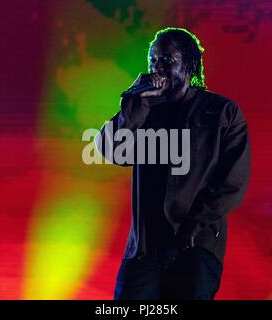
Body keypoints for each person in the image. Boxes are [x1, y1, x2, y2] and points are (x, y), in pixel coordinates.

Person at [95, 27, 251, 300]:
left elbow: (232, 182)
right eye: (153, 61)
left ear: (189, 65)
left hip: (195, 244)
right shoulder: (145, 110)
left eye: (167, 60)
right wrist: (133, 105)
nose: (158, 67)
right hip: (145, 249)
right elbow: (112, 151)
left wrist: (194, 225)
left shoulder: (223, 112)